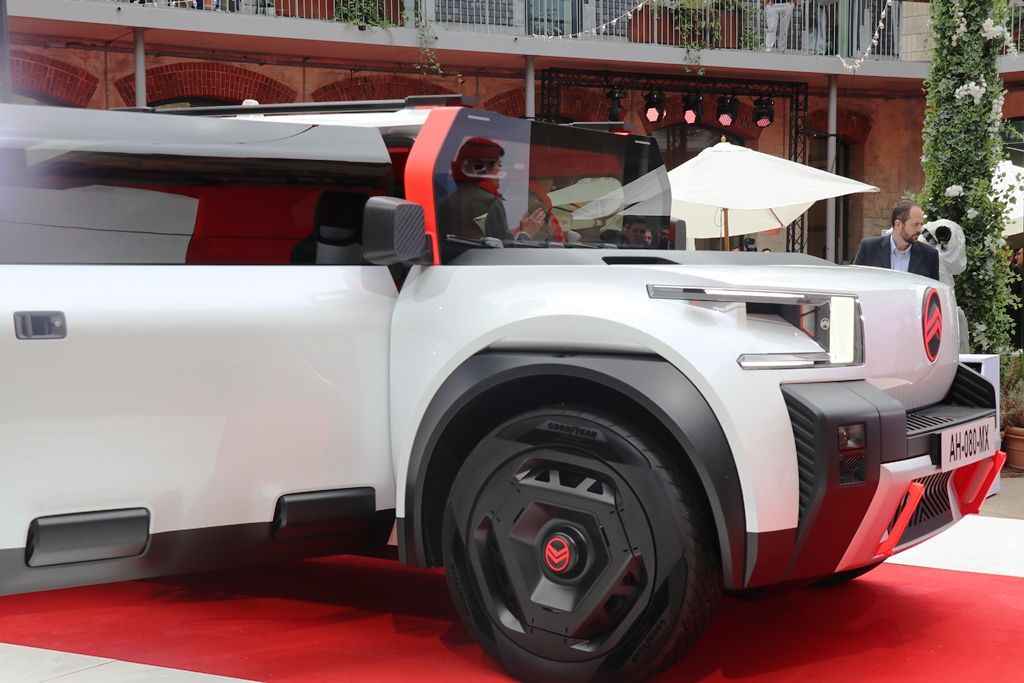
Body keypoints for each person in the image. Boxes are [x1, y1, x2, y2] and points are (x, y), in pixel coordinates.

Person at [852, 199, 939, 280]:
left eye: (921, 224)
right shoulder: (869, 248)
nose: (920, 230)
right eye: (915, 224)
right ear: (898, 224)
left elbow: (933, 289)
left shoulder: (929, 255)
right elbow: (855, 281)